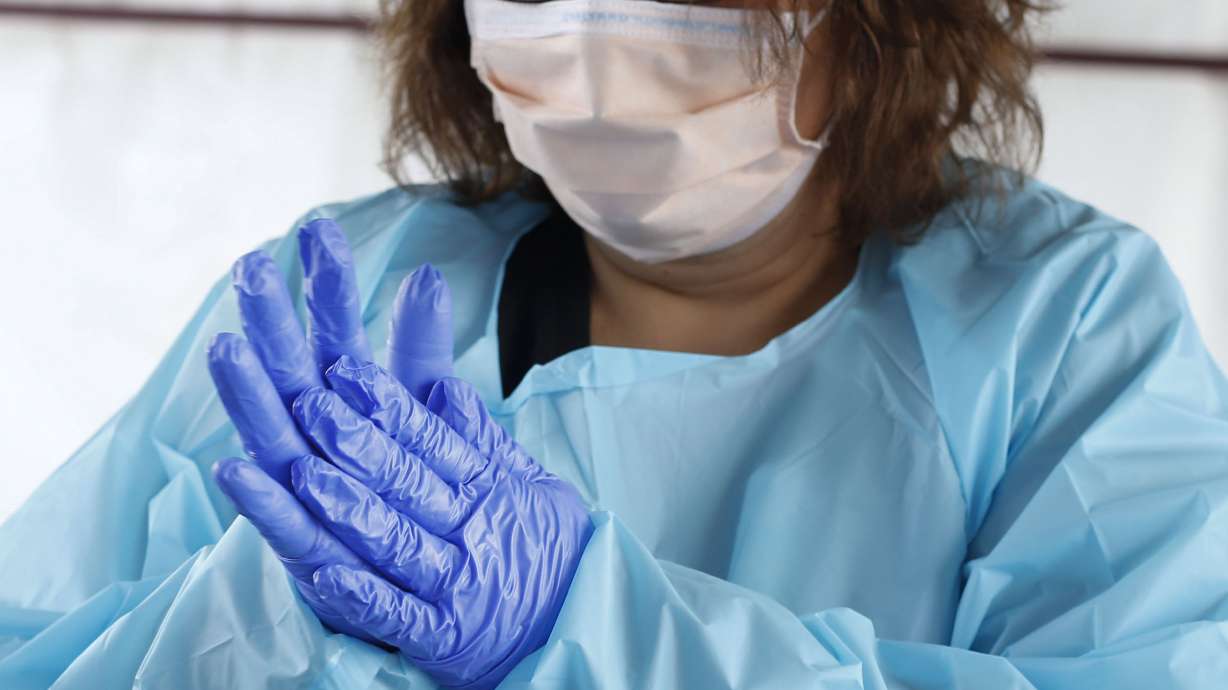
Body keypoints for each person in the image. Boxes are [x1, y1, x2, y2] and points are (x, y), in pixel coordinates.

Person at [2, 0, 1227, 688]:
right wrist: (258, 631)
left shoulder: (1066, 324)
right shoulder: (339, 301)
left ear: (874, 27)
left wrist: (577, 622)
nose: (593, 32)